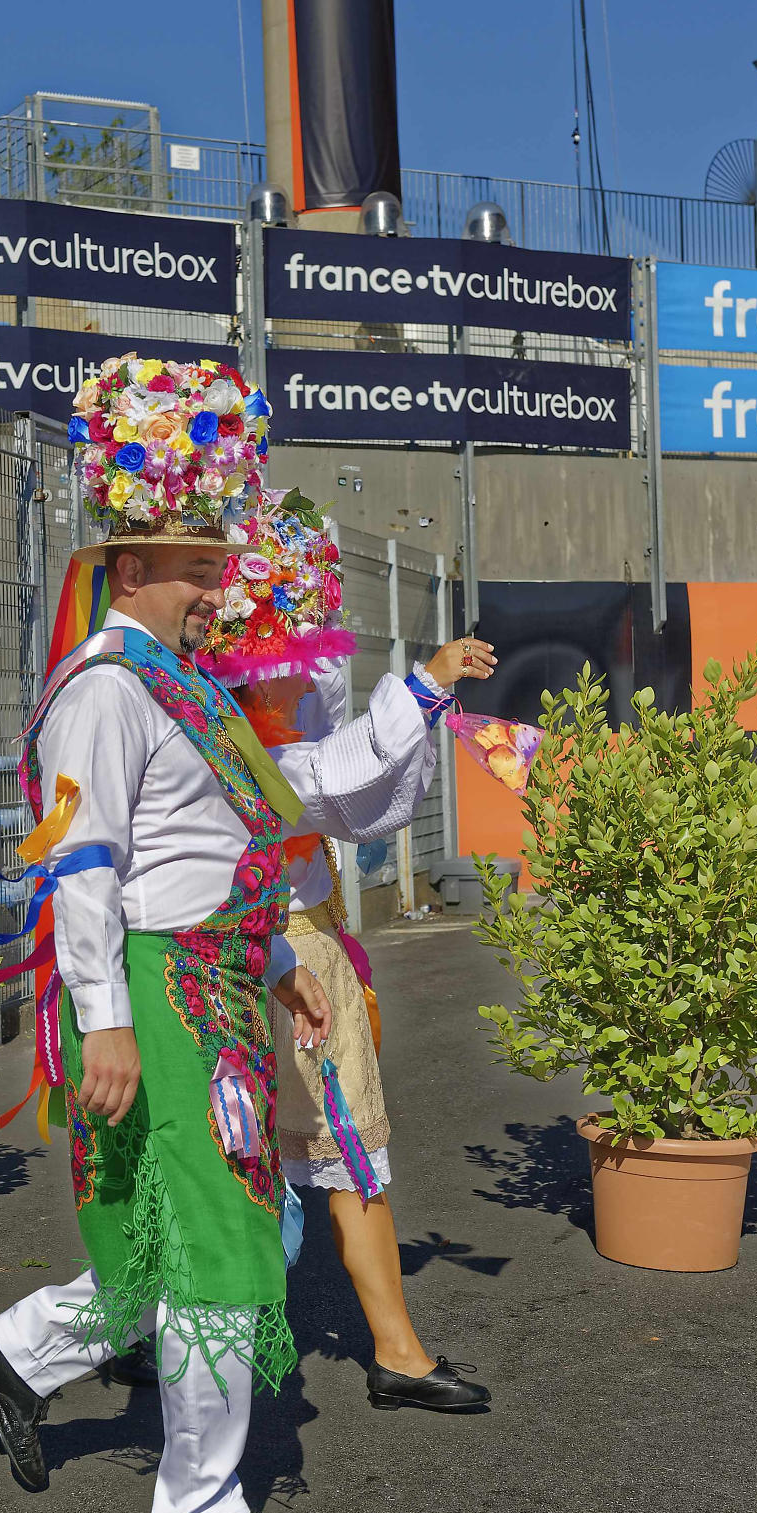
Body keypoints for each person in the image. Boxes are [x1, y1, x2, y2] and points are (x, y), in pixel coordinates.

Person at [0, 355, 329, 1513]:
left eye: (217, 566)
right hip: (158, 993)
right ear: (131, 571)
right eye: (197, 569)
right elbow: (82, 861)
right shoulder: (106, 690)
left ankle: (21, 1351)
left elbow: (204, 847)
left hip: (207, 983)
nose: (219, 587)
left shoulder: (180, 683)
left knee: (172, 1232)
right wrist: (104, 1017)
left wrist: (272, 965)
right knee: (215, 1237)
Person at [200, 486, 496, 1415]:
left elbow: (349, 780)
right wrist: (425, 684)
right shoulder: (236, 749)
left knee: (337, 1158)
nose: (307, 684)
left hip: (296, 953)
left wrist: (424, 692)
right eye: (289, 666)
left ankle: (394, 1350)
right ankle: (159, 1333)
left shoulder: (256, 735)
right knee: (281, 1158)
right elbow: (335, 779)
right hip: (266, 962)